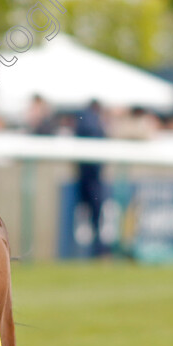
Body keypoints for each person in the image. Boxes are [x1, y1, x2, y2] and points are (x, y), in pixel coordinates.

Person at [74, 99, 107, 256]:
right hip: (92, 178)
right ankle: (97, 250)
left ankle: (92, 250)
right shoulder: (93, 122)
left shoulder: (84, 120)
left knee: (88, 216)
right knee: (94, 216)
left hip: (85, 175)